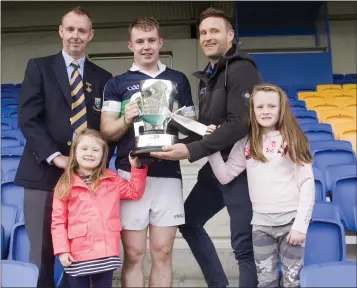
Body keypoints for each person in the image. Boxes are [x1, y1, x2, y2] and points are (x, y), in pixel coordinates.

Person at [151, 7, 262, 287]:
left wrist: (190, 151)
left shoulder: (241, 68)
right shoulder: (209, 78)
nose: (207, 37)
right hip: (214, 170)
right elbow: (205, 127)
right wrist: (164, 131)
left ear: (230, 35)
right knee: (189, 222)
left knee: (243, 247)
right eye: (203, 33)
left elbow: (240, 123)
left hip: (241, 173)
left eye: (215, 31)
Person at [14, 7, 112, 287]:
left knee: (81, 252)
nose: (75, 36)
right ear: (61, 31)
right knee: (42, 252)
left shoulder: (103, 77)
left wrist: (94, 164)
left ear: (90, 35)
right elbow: (27, 118)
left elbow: (105, 130)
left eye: (82, 31)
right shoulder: (38, 67)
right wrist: (56, 157)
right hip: (42, 174)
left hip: (85, 177)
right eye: (70, 29)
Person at [100, 17, 196, 287]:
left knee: (163, 253)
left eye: (151, 40)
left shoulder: (178, 80)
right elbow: (107, 131)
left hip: (167, 174)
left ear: (160, 43)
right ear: (130, 45)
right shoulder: (116, 84)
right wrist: (126, 118)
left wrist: (177, 119)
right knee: (133, 253)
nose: (146, 46)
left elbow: (190, 128)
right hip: (129, 175)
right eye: (140, 41)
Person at [206, 84, 315, 287]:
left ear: (281, 109)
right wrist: (211, 146)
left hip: (291, 222)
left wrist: (301, 226)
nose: (265, 111)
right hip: (261, 225)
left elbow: (307, 184)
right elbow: (225, 176)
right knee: (266, 282)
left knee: (292, 282)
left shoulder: (294, 139)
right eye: (260, 107)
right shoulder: (247, 142)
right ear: (252, 110)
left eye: (271, 106)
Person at [51, 129, 148, 288]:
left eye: (95, 150)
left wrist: (136, 168)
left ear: (103, 156)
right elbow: (58, 222)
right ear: (74, 152)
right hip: (77, 255)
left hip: (106, 253)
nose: (90, 153)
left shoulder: (112, 179)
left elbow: (134, 192)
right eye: (84, 149)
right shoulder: (65, 184)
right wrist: (62, 250)